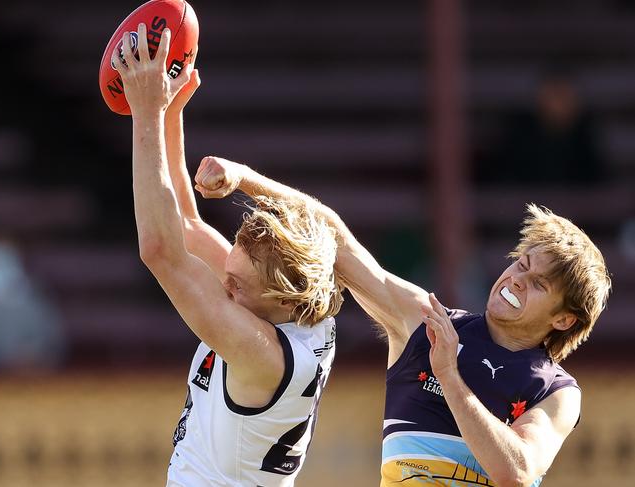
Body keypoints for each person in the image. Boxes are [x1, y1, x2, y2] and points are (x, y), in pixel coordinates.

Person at [194, 156, 612, 486]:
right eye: (520, 265)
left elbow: (516, 471)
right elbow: (334, 236)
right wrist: (243, 177)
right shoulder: (425, 321)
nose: (515, 280)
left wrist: (449, 376)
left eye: (537, 283)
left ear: (563, 319)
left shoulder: (557, 392)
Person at [112, 26, 343, 486]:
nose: (225, 280)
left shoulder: (266, 356)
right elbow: (188, 227)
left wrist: (146, 112)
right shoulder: (293, 300)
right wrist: (171, 109)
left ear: (281, 300)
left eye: (236, 285)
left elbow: (161, 250)